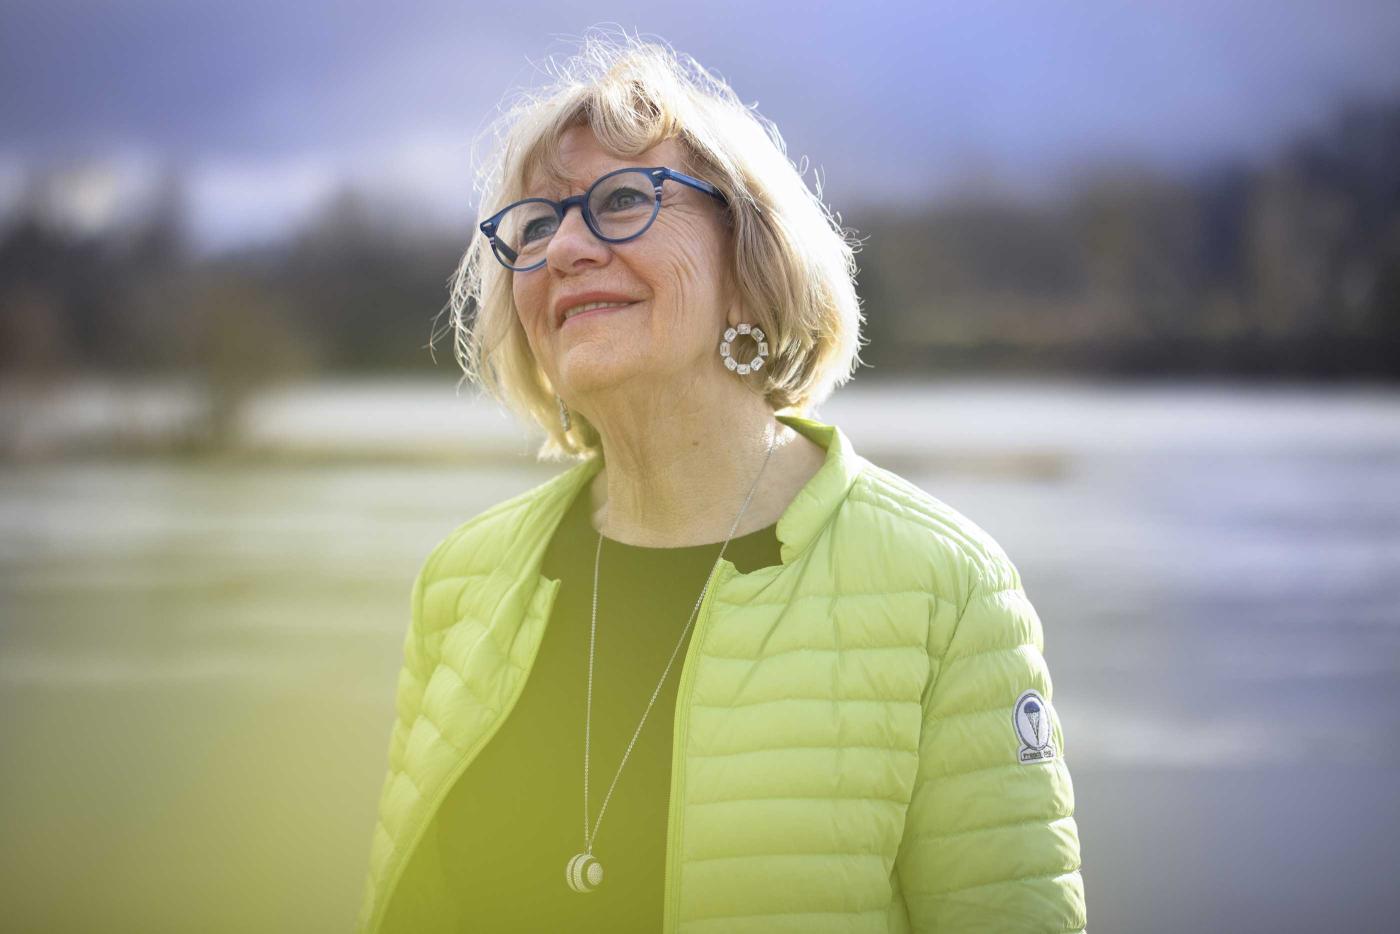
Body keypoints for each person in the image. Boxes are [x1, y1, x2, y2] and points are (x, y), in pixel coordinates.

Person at [355, 28, 1086, 934]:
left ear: (751, 261)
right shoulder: (461, 583)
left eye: (623, 200)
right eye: (535, 224)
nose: (564, 249)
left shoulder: (946, 590)